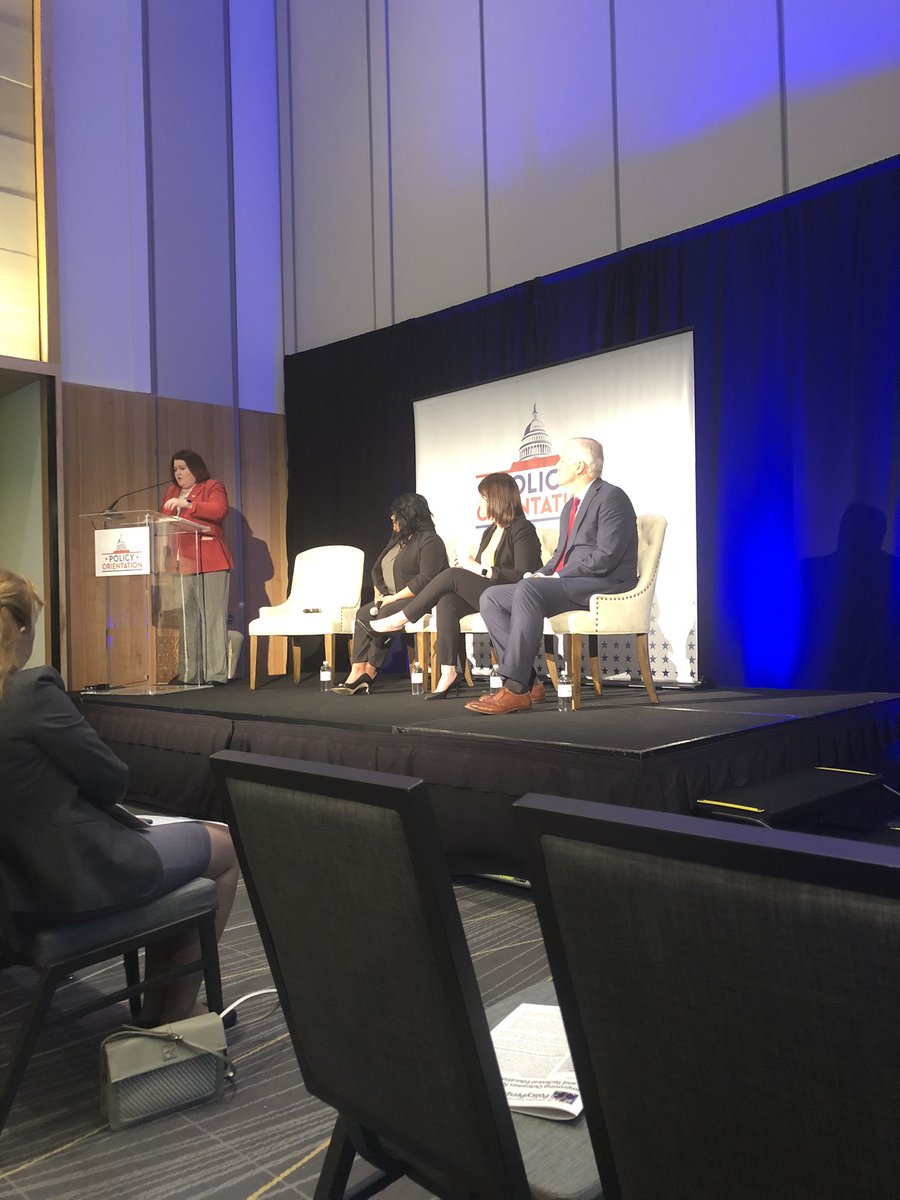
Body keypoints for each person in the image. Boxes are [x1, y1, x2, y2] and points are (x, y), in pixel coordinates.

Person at [0, 569, 238, 1026]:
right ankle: (177, 1010)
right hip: (63, 883)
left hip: (12, 896)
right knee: (224, 848)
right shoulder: (30, 693)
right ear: (23, 628)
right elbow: (111, 781)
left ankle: (157, 1008)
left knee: (179, 851)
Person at [466, 438, 638, 715]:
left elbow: (606, 556)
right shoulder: (570, 506)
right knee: (491, 597)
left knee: (528, 589)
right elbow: (559, 555)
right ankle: (529, 681)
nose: (556, 465)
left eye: (562, 460)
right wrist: (541, 574)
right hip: (571, 582)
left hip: (603, 584)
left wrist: (556, 577)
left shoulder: (612, 497)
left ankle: (515, 689)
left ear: (580, 466)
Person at [370, 473, 542, 699]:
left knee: (451, 576)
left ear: (497, 498)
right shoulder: (490, 531)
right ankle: (448, 671)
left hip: (512, 595)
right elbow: (481, 570)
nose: (479, 503)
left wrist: (480, 569)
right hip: (488, 593)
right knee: (447, 600)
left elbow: (523, 575)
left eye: (483, 498)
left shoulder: (522, 528)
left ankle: (403, 617)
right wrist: (469, 567)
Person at [333, 493, 448, 695]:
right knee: (363, 614)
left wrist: (394, 598)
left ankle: (370, 670)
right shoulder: (397, 540)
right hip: (392, 598)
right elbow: (377, 569)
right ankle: (357, 670)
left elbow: (426, 579)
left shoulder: (430, 540)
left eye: (396, 514)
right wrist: (380, 593)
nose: (392, 518)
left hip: (422, 600)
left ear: (409, 515)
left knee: (386, 614)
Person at [161, 450, 234, 685]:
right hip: (182, 562)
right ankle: (189, 673)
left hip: (212, 560)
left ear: (195, 468)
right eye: (175, 469)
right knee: (187, 619)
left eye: (182, 468)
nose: (178, 473)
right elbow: (164, 520)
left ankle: (216, 674)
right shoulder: (171, 492)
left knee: (213, 618)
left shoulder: (212, 486)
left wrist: (188, 503)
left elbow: (219, 511)